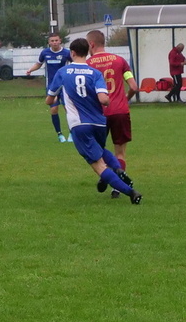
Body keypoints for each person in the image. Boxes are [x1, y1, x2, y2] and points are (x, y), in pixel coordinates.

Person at [46, 38, 141, 205]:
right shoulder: (95, 73)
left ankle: (130, 192)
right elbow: (104, 99)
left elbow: (49, 100)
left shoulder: (63, 72)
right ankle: (118, 168)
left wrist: (55, 99)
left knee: (98, 165)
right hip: (99, 122)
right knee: (101, 150)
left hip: (79, 124)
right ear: (86, 51)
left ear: (72, 53)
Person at [85, 30, 139, 196]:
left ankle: (106, 174)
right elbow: (134, 87)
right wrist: (125, 99)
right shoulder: (120, 60)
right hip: (120, 111)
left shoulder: (88, 64)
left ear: (91, 44)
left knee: (99, 151)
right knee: (120, 152)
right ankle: (117, 187)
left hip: (98, 113)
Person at [25, 32, 73, 142]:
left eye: (56, 40)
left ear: (60, 41)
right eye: (52, 41)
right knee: (54, 109)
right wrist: (30, 70)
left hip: (65, 86)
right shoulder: (45, 53)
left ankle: (72, 133)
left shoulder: (66, 53)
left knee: (69, 109)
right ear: (49, 42)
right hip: (51, 86)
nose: (54, 42)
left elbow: (76, 63)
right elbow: (39, 64)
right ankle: (60, 135)